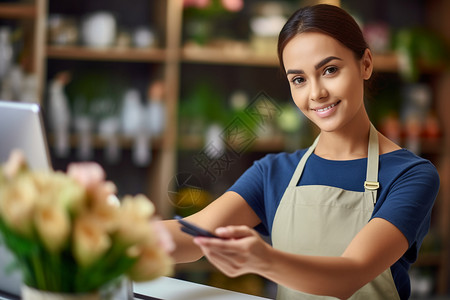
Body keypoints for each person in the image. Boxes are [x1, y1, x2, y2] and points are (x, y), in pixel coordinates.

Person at [163, 4, 440, 299]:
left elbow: (352, 273)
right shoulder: (273, 172)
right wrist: (121, 232)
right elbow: (194, 235)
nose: (316, 93)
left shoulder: (410, 175)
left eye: (330, 70)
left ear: (366, 64)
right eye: (299, 79)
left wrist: (265, 260)